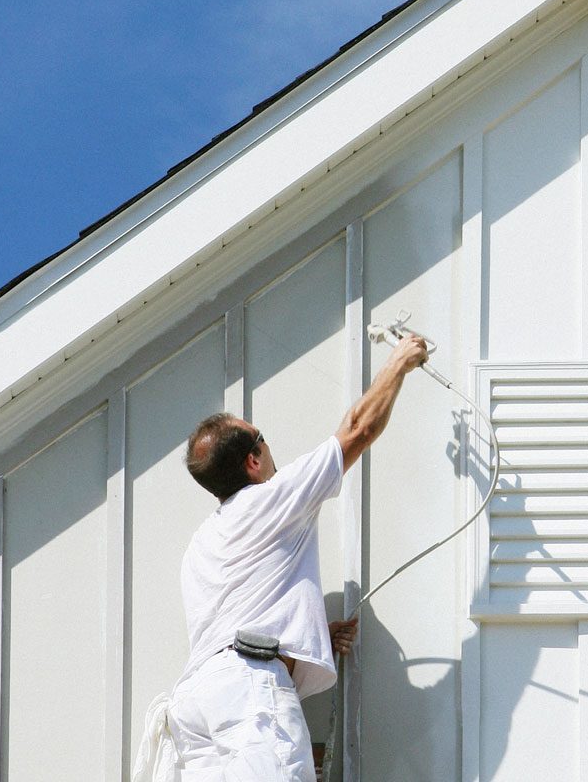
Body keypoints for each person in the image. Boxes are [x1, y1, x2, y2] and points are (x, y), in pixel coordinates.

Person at [167, 332, 430, 781]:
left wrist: (307, 634)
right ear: (253, 460)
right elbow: (358, 430)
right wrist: (399, 362)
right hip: (249, 696)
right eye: (262, 439)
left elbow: (240, 620)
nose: (271, 447)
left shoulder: (202, 544)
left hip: (195, 708)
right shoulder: (270, 499)